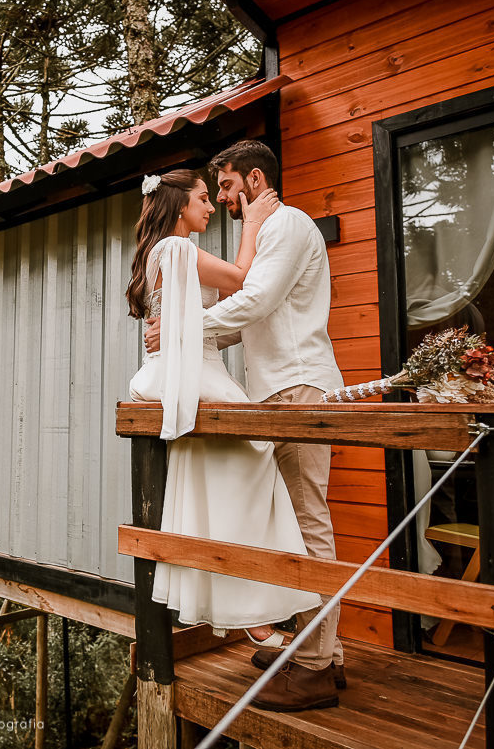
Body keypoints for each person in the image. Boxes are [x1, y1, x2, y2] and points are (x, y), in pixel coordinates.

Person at [145, 140, 346, 711]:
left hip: (298, 388)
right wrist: (188, 331)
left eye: (228, 187)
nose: (223, 200)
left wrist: (186, 325)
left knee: (307, 521)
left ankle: (314, 667)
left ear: (254, 180)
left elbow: (253, 300)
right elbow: (246, 321)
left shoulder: (287, 225)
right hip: (275, 392)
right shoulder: (267, 233)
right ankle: (321, 651)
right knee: (289, 522)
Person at [126, 168, 321, 652]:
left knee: (217, 483)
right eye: (201, 198)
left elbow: (208, 312)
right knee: (255, 466)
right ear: (179, 205)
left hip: (186, 366)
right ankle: (252, 607)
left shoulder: (160, 252)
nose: (211, 206)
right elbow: (240, 281)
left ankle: (246, 605)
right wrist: (251, 224)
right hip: (197, 372)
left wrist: (182, 327)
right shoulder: (178, 248)